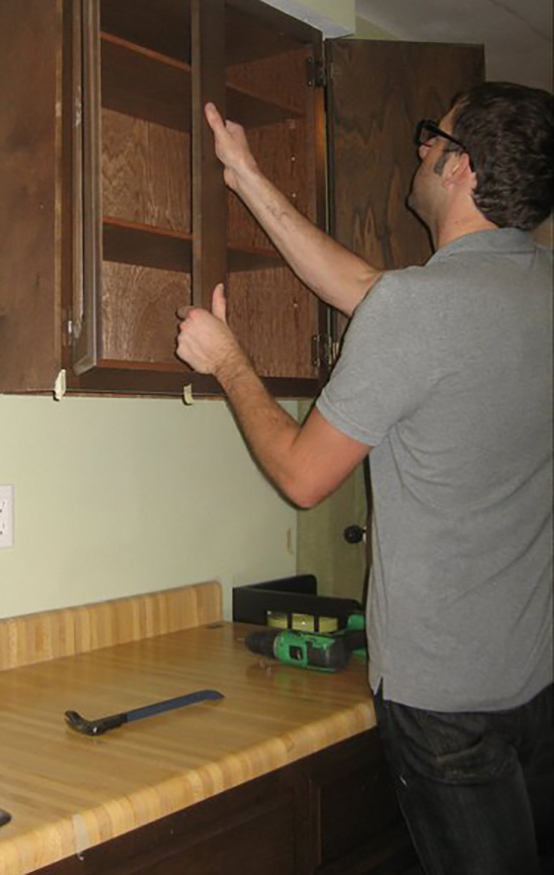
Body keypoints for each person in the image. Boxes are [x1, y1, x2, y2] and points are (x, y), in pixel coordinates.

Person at [176, 83, 553, 875]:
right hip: (537, 677)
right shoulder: (529, 286)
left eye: (431, 138)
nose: (419, 149)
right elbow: (366, 292)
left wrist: (227, 361)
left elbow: (302, 476)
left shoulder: (418, 311)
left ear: (460, 167)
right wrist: (244, 175)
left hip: (446, 704)